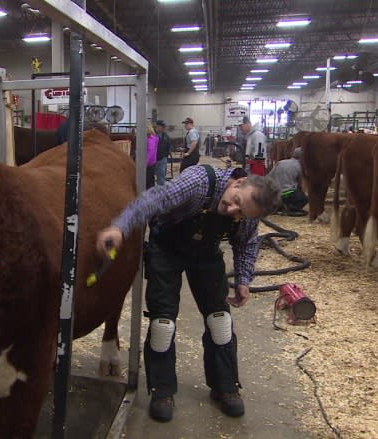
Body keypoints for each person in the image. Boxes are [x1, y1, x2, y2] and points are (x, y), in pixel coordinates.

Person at [95, 165, 281, 422]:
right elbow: (154, 199)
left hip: (205, 253)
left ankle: (225, 387)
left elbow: (246, 244)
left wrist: (243, 279)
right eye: (235, 202)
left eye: (241, 213)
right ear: (239, 183)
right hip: (166, 248)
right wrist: (121, 227)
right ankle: (162, 391)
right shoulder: (199, 182)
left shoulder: (248, 214)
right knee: (163, 324)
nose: (232, 211)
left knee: (220, 321)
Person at [267, 147, 308, 212]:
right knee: (304, 199)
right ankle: (289, 207)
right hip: (288, 193)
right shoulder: (299, 166)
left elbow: (269, 176)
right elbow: (301, 184)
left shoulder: (280, 162)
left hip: (275, 193)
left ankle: (278, 206)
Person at [154, 120, 172, 186]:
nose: (162, 128)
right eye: (160, 126)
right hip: (153, 160)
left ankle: (160, 193)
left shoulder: (166, 136)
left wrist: (165, 156)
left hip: (162, 160)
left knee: (161, 178)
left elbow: (169, 146)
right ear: (157, 127)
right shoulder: (153, 135)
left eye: (162, 127)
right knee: (150, 177)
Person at [145, 124, 159, 189]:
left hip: (149, 165)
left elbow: (150, 152)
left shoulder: (150, 138)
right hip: (151, 163)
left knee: (148, 183)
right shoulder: (151, 138)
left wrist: (145, 164)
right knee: (150, 182)